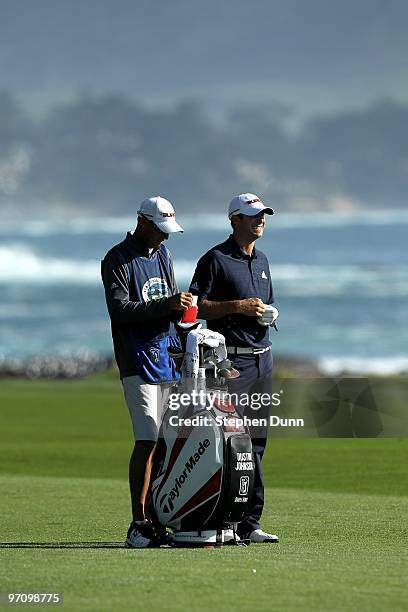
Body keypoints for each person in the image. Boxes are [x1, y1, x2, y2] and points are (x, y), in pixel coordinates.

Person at [101, 196, 192, 548]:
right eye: (161, 230)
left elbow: (168, 300)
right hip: (135, 361)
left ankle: (158, 516)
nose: (166, 237)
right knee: (147, 439)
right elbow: (120, 310)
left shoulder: (163, 255)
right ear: (144, 223)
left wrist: (181, 316)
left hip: (165, 357)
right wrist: (166, 304)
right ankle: (138, 522)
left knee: (166, 443)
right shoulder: (117, 258)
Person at [189, 193, 279, 543]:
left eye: (264, 215)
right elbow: (197, 309)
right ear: (235, 220)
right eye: (253, 215)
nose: (261, 220)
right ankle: (223, 517)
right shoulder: (215, 259)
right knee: (229, 443)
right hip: (230, 362)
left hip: (263, 358)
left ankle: (249, 522)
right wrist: (237, 307)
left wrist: (270, 313)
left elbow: (263, 304)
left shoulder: (263, 260)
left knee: (257, 444)